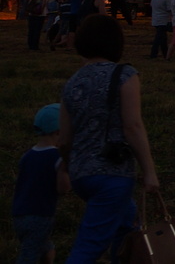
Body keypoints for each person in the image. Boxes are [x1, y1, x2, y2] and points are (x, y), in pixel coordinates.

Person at [58, 15, 159, 264]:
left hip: (82, 174)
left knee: (126, 229)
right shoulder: (125, 75)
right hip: (112, 174)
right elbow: (133, 126)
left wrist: (67, 167)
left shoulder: (73, 82)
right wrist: (149, 171)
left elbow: (64, 138)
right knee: (89, 247)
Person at [12, 103, 63, 264]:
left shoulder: (27, 156)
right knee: (29, 256)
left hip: (19, 214)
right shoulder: (58, 158)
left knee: (45, 248)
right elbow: (64, 188)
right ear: (58, 132)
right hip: (40, 215)